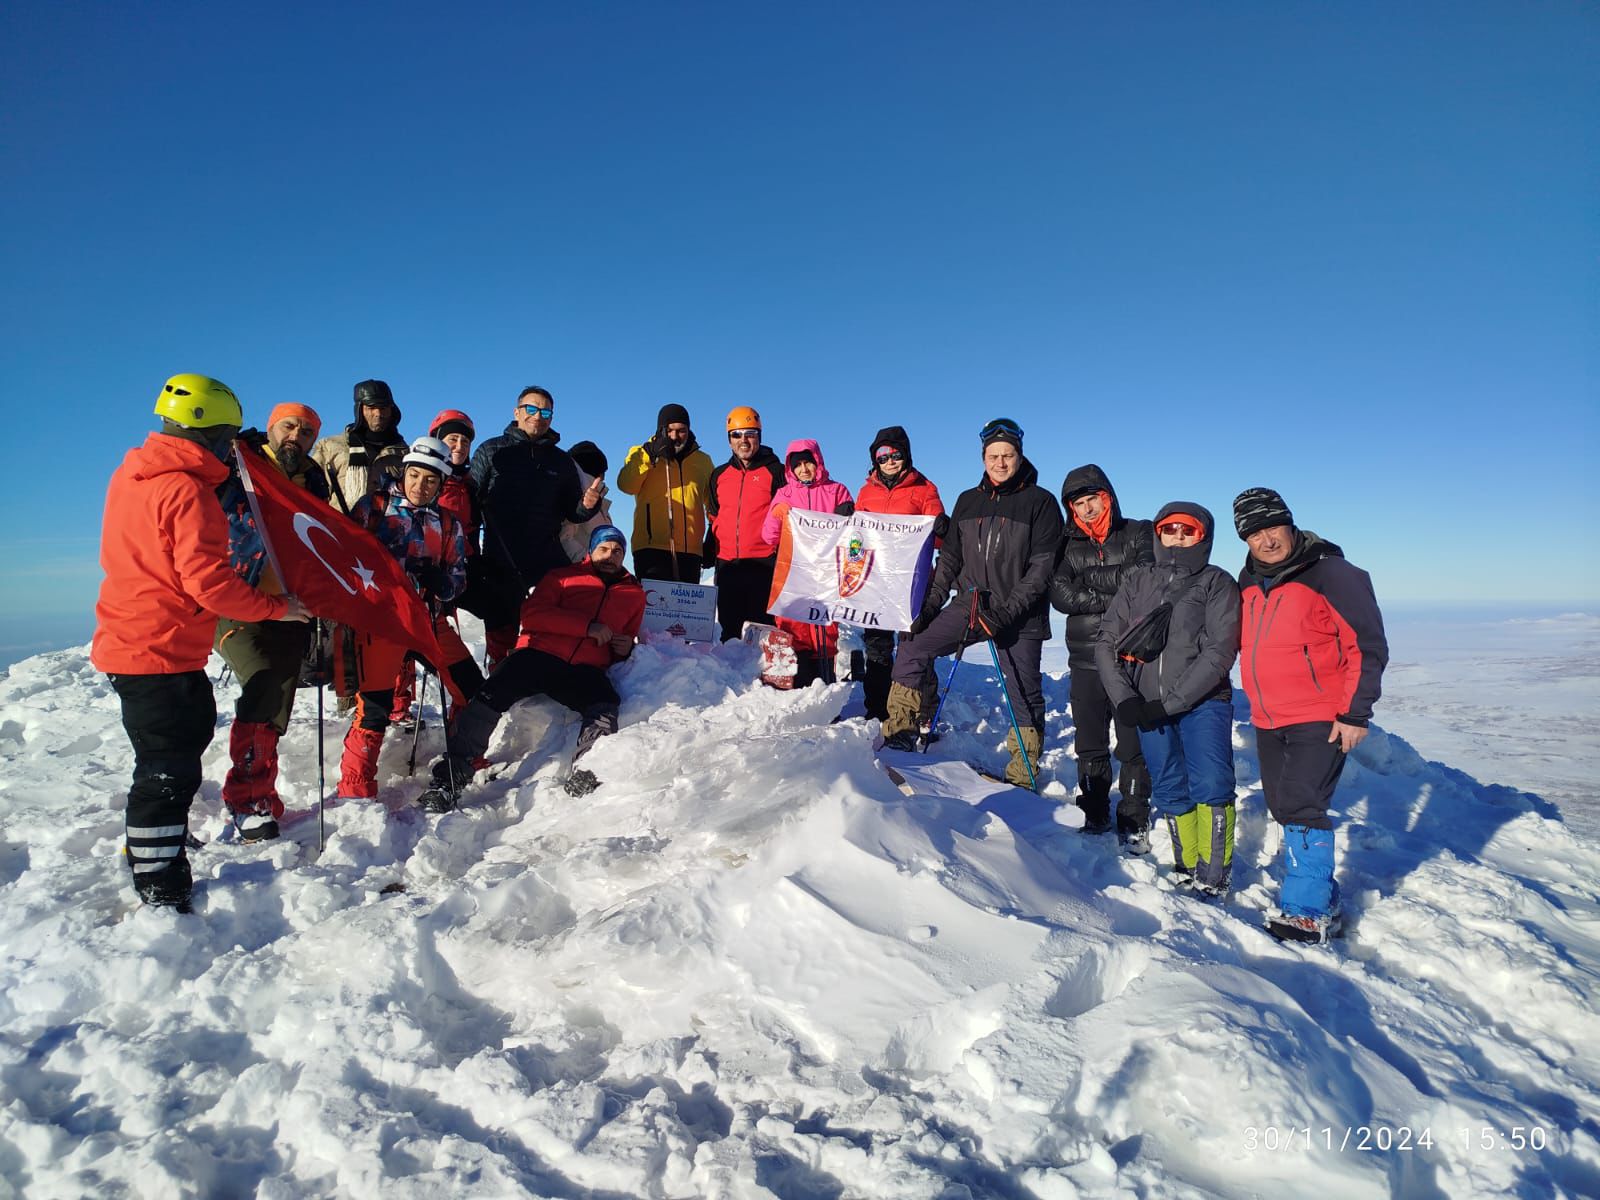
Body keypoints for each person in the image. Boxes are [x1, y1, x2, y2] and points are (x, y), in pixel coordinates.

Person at [91, 374, 309, 910]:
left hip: (132, 637)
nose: (232, 446)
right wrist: (278, 608)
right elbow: (209, 583)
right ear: (211, 433)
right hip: (157, 648)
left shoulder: (134, 473)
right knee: (168, 768)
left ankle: (152, 845)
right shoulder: (187, 490)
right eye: (228, 435)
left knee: (166, 754)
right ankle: (159, 880)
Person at [1234, 487, 1388, 944]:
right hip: (1267, 716)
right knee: (1283, 807)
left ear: (1289, 522)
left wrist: (1355, 712)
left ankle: (1306, 911)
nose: (1266, 539)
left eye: (1272, 526)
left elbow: (1367, 644)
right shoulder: (1248, 581)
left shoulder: (1332, 573)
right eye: (1253, 532)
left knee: (1302, 804)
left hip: (1320, 713)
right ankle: (1324, 894)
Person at [882, 418, 1064, 789]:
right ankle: (900, 731)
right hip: (969, 604)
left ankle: (1022, 770)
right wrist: (929, 607)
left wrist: (1006, 613)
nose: (1000, 462)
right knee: (914, 646)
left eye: (1007, 455)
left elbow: (1041, 569)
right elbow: (948, 562)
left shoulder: (1040, 503)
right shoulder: (968, 501)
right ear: (983, 457)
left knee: (1023, 688)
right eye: (993, 455)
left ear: (1019, 455)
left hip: (1019, 614)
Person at [418, 524, 646, 811]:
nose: (610, 555)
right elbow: (533, 615)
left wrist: (625, 650)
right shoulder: (563, 577)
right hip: (539, 656)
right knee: (489, 696)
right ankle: (450, 778)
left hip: (585, 669)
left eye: (617, 551)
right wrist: (586, 627)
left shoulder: (634, 594)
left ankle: (587, 769)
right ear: (591, 551)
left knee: (605, 705)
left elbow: (626, 639)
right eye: (604, 548)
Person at [1095, 504, 1240, 888]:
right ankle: (1187, 865)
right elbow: (1106, 641)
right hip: (1145, 706)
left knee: (1211, 784)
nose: (1177, 536)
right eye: (1169, 528)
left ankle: (1213, 877)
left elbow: (1219, 653)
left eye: (1187, 530)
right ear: (1158, 534)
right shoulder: (1138, 581)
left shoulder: (1216, 583)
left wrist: (1171, 703)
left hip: (1203, 702)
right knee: (1170, 784)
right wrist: (1125, 698)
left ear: (1203, 537)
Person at [336, 438, 483, 800]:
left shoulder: (448, 524)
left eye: (430, 480)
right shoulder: (374, 508)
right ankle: (356, 788)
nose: (420, 485)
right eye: (414, 475)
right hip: (382, 623)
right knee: (374, 707)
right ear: (404, 473)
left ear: (441, 483)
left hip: (428, 621)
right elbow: (342, 559)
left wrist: (441, 582)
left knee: (472, 688)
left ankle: (462, 757)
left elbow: (457, 580)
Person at [214, 402, 332, 842]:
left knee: (278, 695)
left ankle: (260, 792)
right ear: (270, 428)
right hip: (236, 597)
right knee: (263, 683)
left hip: (290, 606)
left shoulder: (313, 481)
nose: (296, 437)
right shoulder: (235, 464)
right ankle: (246, 800)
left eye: (306, 433)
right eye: (289, 427)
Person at [1049, 464, 1155, 847]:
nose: (1088, 508)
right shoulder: (1066, 545)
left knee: (1131, 744)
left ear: (1108, 497)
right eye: (1080, 503)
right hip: (1085, 659)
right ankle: (1094, 812)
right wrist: (1112, 596)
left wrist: (1089, 583)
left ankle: (1133, 818)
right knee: (1089, 742)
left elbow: (1142, 578)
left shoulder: (1139, 532)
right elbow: (1059, 593)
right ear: (1071, 509)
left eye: (1094, 499)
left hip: (1129, 659)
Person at [469, 386, 606, 668]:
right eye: (531, 409)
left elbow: (573, 512)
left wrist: (589, 503)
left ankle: (548, 682)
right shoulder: (492, 450)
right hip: (501, 556)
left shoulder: (560, 460)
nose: (537, 416)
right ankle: (500, 684)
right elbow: (471, 498)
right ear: (517, 412)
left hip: (545, 556)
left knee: (553, 621)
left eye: (545, 412)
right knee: (502, 631)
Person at [853, 427, 946, 720]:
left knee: (915, 648)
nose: (890, 461)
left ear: (906, 455)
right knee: (877, 649)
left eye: (896, 454)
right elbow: (856, 538)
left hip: (912, 585)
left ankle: (924, 713)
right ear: (875, 459)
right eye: (883, 456)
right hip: (876, 582)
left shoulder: (925, 489)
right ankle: (878, 710)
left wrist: (943, 527)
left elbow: (939, 538)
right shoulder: (866, 491)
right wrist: (848, 520)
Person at [761, 439, 856, 686]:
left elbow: (854, 538)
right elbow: (768, 536)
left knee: (825, 631)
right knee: (794, 630)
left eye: (808, 463)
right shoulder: (785, 495)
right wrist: (777, 514)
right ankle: (796, 688)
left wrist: (848, 515)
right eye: (798, 464)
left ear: (818, 462)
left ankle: (825, 687)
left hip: (826, 575)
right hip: (793, 575)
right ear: (790, 468)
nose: (804, 469)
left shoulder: (837, 491)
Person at [705, 406, 787, 640]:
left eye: (750, 433)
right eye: (736, 434)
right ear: (729, 439)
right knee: (729, 629)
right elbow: (714, 513)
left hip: (764, 563)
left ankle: (764, 677)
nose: (744, 441)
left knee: (763, 631)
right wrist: (710, 543)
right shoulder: (719, 475)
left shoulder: (776, 471)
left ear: (759, 436)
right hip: (728, 564)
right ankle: (730, 677)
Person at [617, 403, 715, 582]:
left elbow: (714, 505)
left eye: (681, 431)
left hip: (691, 551)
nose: (675, 437)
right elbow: (626, 485)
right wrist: (649, 455)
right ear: (660, 430)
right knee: (653, 607)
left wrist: (713, 538)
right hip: (651, 548)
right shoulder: (640, 453)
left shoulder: (703, 461)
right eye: (669, 430)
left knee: (686, 609)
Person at [312, 379, 407, 515]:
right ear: (359, 409)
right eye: (371, 407)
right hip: (340, 530)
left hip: (387, 533)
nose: (378, 414)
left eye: (383, 408)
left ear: (392, 410)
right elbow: (311, 494)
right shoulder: (330, 447)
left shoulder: (405, 454)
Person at [429, 409, 480, 555]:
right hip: (429, 560)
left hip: (460, 563)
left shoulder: (470, 485)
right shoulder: (425, 479)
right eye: (453, 439)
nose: (460, 446)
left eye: (465, 441)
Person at [559, 441, 616, 563]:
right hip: (580, 574)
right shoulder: (577, 495)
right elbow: (563, 537)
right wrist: (591, 563)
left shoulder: (597, 500)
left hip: (593, 573)